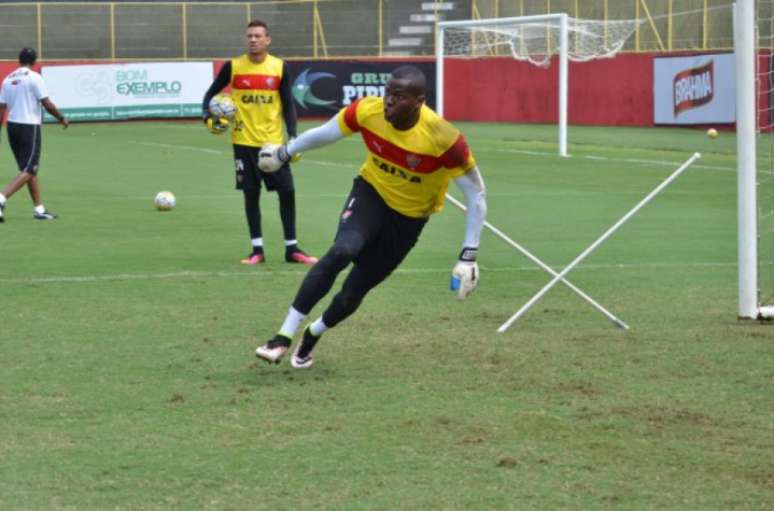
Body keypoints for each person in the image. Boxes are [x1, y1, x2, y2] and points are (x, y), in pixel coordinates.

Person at [254, 65, 487, 368]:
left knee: (353, 293)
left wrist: (468, 256)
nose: (389, 100)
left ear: (419, 101)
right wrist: (285, 152)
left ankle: (312, 334)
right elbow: (324, 134)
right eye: (388, 92)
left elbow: (477, 195)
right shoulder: (368, 111)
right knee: (341, 251)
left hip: (408, 221)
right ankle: (282, 336)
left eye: (399, 96)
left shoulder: (444, 138)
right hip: (371, 195)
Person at [201, 19, 317, 266]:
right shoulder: (233, 67)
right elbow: (210, 95)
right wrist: (207, 117)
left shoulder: (279, 67)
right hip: (243, 142)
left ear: (268, 40)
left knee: (287, 192)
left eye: (257, 36)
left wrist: (293, 134)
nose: (253, 40)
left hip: (273, 146)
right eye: (249, 36)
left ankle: (292, 249)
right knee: (250, 195)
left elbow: (288, 103)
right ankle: (257, 250)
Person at [0, 47, 69, 223]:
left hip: (12, 126)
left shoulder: (8, 79)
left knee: (29, 169)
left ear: (19, 60)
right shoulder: (34, 77)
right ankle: (1, 198)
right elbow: (47, 103)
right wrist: (61, 118)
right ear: (34, 61)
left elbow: (2, 108)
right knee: (30, 169)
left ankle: (39, 209)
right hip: (28, 126)